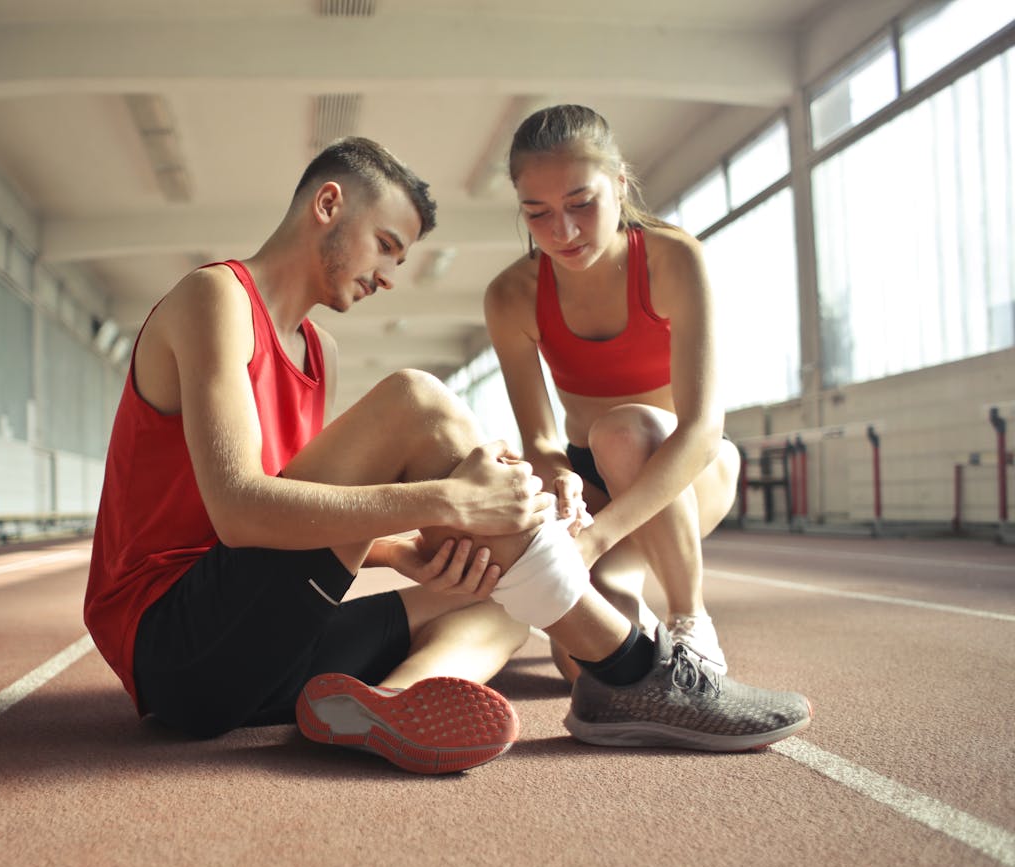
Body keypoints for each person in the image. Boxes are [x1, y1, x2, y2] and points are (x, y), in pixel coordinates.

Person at [84, 136, 811, 776]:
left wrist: (405, 551)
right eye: (387, 246)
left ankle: (394, 701)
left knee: (500, 589)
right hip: (177, 648)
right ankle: (630, 667)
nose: (390, 276)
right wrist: (446, 503)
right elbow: (241, 513)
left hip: (255, 661)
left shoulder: (320, 352)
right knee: (414, 400)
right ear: (329, 204)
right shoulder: (215, 298)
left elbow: (292, 526)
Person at [485, 104, 742, 678]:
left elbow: (702, 430)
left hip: (688, 469)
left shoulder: (675, 259)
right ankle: (629, 593)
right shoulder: (511, 296)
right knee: (583, 666)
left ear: (620, 183)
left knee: (624, 430)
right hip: (594, 481)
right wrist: (561, 481)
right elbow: (542, 438)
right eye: (538, 213)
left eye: (581, 204)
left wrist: (597, 539)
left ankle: (689, 619)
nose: (564, 232)